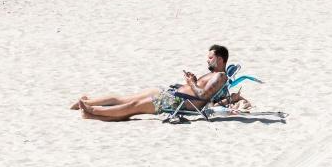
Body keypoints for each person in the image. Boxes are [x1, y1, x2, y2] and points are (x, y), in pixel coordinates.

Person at [72, 45, 234, 121]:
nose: (208, 59)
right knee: (126, 99)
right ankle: (88, 104)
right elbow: (204, 92)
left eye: (210, 57)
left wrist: (191, 82)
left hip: (178, 101)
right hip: (173, 94)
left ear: (220, 59)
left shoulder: (220, 77)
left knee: (132, 106)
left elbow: (202, 95)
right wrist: (193, 80)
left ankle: (92, 110)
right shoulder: (214, 75)